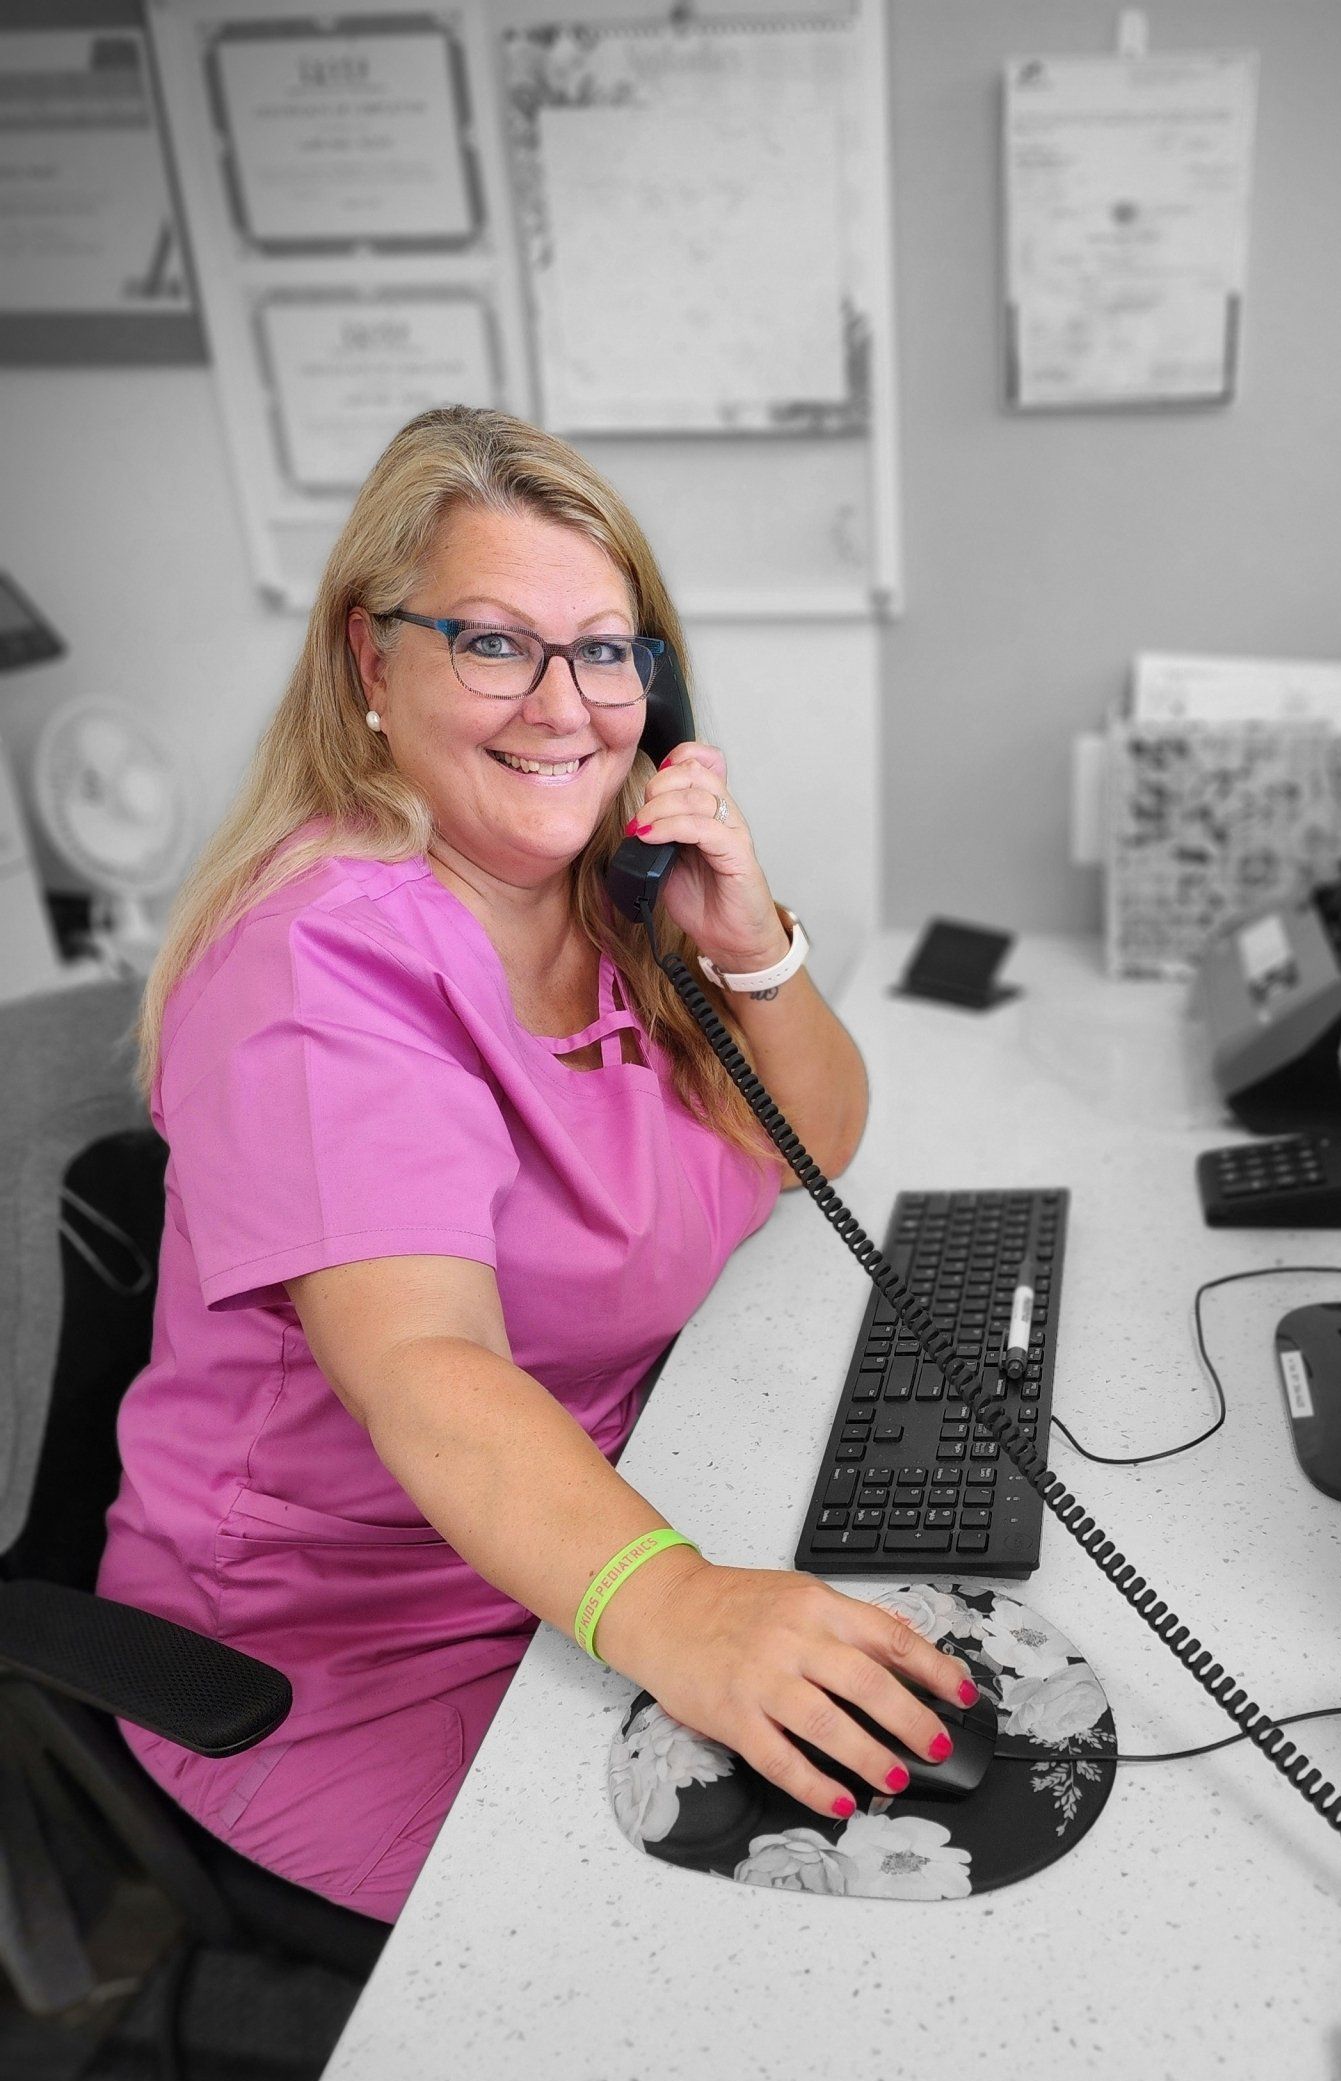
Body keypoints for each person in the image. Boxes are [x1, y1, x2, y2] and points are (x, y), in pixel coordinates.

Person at [98, 405, 972, 1921]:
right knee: (698, 1934)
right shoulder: (322, 965)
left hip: (583, 1521)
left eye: (610, 649)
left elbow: (814, 1141)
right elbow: (428, 1363)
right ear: (374, 665)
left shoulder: (606, 900)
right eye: (496, 643)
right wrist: (678, 1603)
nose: (567, 705)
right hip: (340, 1639)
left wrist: (749, 944)